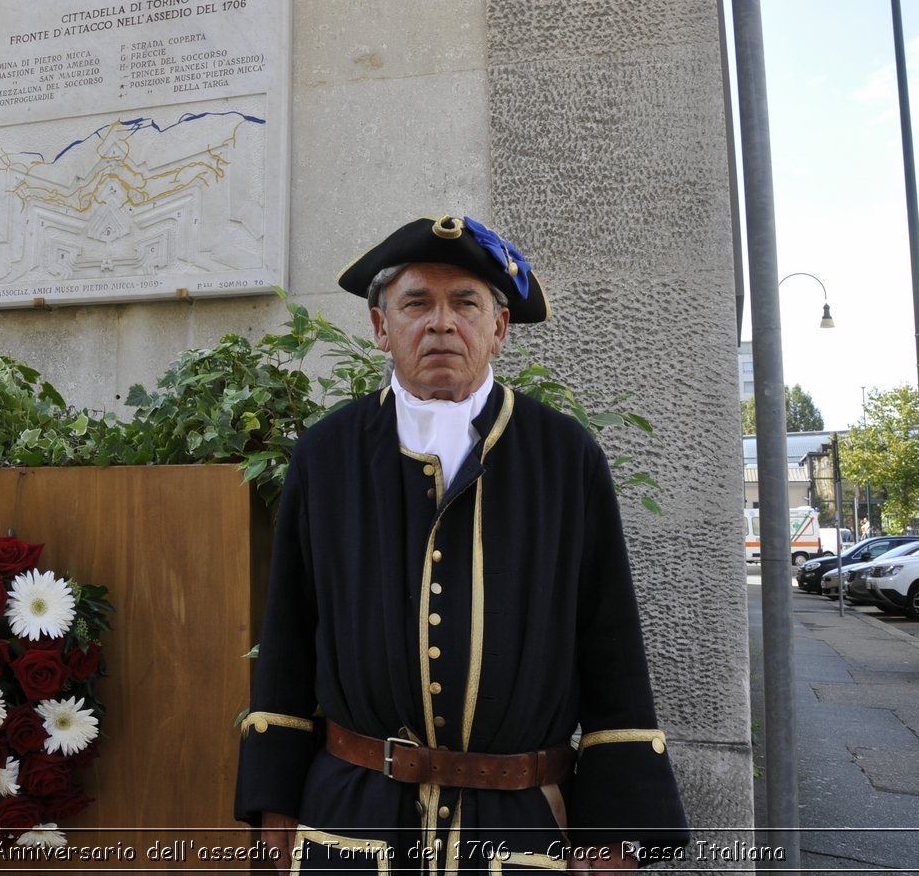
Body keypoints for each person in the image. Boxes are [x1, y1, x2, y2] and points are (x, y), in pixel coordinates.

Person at [235, 215, 688, 873]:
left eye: (465, 302)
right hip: (354, 826)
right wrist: (273, 807)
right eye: (417, 301)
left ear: (499, 328)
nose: (441, 322)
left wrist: (615, 831)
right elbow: (287, 640)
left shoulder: (564, 458)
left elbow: (610, 646)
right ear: (380, 326)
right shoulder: (327, 455)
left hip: (518, 831)